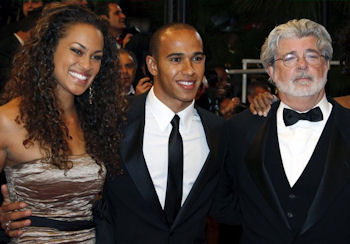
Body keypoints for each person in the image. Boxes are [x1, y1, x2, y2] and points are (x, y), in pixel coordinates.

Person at [213, 18, 350, 243]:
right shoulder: (238, 129)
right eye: (289, 58)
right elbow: (222, 202)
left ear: (326, 64)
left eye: (312, 56)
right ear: (271, 71)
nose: (302, 65)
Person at [0, 3, 126, 242]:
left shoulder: (96, 120)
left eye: (96, 57)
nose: (87, 65)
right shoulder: (7, 120)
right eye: (77, 51)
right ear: (49, 49)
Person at [93, 23, 227, 243]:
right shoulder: (113, 120)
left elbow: (229, 202)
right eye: (176, 59)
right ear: (152, 65)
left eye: (197, 58)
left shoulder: (217, 130)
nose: (190, 70)